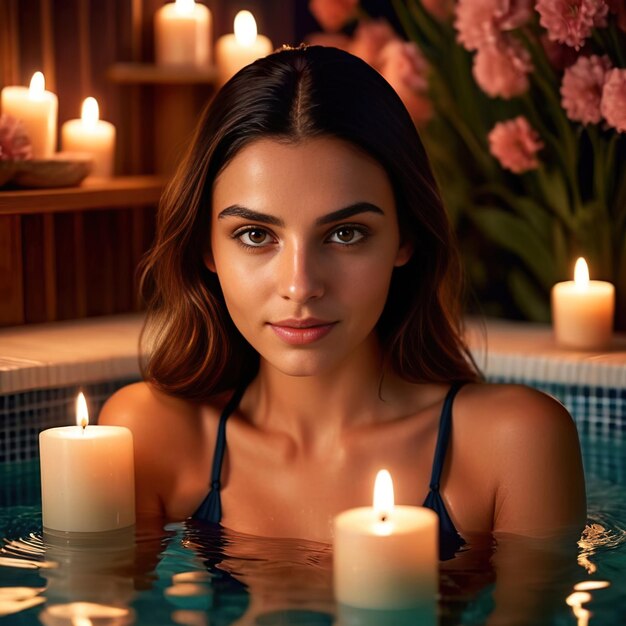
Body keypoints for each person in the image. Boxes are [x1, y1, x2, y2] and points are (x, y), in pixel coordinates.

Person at [99, 45, 586, 560]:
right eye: (255, 235)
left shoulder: (514, 445)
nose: (301, 284)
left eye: (346, 233)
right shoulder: (146, 437)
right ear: (206, 248)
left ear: (406, 238)